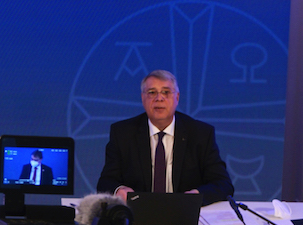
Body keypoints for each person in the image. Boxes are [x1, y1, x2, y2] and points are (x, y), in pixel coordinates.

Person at [97, 70, 233, 205]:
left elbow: (223, 184)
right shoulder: (123, 133)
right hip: (138, 214)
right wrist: (119, 190)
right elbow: (106, 182)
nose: (159, 98)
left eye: (166, 92)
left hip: (184, 213)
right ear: (142, 98)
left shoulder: (200, 134)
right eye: (152, 92)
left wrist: (196, 195)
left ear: (177, 97)